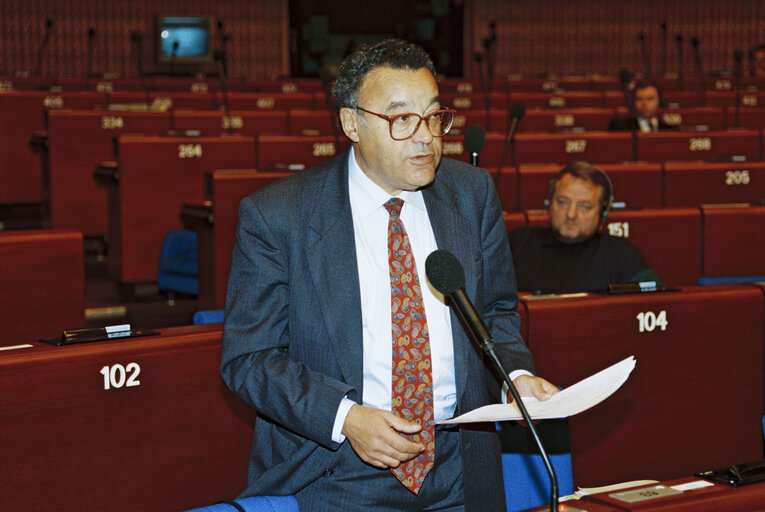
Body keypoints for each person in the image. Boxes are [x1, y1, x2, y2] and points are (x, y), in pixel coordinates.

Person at [221, 39, 558, 512]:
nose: (425, 137)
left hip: (459, 465)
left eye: (434, 117)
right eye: (402, 119)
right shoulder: (279, 216)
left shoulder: (473, 194)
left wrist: (516, 376)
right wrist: (347, 418)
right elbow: (249, 358)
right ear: (351, 123)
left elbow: (496, 311)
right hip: (338, 470)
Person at [508, 161, 659, 294]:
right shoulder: (517, 243)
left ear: (602, 212)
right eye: (563, 202)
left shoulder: (620, 254)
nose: (571, 214)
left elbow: (654, 302)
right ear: (549, 204)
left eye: (585, 207)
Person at [608, 79, 676, 132]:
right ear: (633, 102)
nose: (645, 103)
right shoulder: (619, 127)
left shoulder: (670, 129)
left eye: (650, 99)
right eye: (639, 99)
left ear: (659, 101)